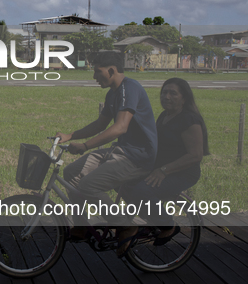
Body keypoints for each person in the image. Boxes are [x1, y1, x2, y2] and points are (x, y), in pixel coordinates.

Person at [55, 51, 158, 256]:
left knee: (89, 185)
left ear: (111, 70)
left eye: (97, 71)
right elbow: (100, 124)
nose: (94, 77)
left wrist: (85, 146)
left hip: (138, 156)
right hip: (121, 151)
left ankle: (123, 224)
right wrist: (70, 135)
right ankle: (82, 225)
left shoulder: (130, 88)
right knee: (71, 173)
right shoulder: (113, 93)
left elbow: (120, 128)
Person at [121, 78, 209, 245]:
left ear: (184, 98)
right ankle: (151, 220)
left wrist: (164, 171)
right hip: (158, 168)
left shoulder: (190, 120)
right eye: (164, 92)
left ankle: (167, 225)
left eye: (173, 93)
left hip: (181, 172)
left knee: (142, 190)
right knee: (122, 182)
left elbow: (196, 155)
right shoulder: (164, 116)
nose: (166, 96)